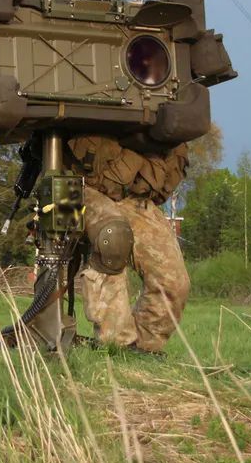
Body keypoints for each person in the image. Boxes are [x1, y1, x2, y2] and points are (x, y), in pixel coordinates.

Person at [66, 134, 191, 355]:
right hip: (83, 188)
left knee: (173, 281)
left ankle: (144, 350)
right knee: (113, 240)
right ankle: (116, 346)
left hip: (135, 196)